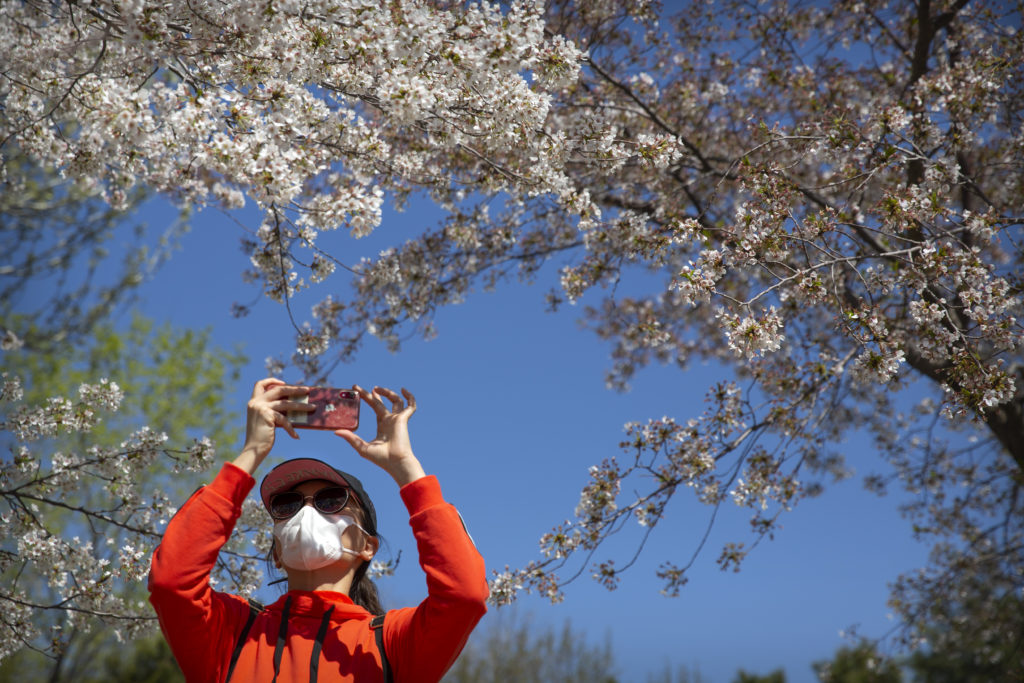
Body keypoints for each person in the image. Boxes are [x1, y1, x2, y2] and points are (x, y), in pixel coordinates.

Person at [148, 378, 489, 683]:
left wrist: (406, 469)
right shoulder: (234, 632)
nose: (306, 510)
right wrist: (251, 453)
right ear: (277, 552)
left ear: (367, 546)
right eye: (287, 505)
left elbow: (464, 596)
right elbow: (171, 582)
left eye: (330, 499)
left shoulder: (390, 644)